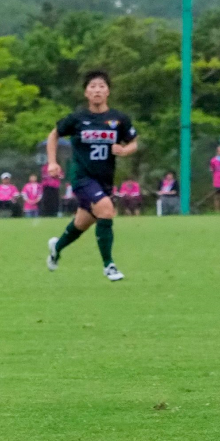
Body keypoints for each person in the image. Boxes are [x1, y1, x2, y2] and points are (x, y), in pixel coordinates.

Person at [45, 69, 139, 282]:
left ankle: (56, 247)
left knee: (82, 223)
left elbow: (133, 142)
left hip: (105, 180)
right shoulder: (78, 118)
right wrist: (52, 161)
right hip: (82, 178)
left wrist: (125, 150)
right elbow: (54, 134)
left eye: (101, 86)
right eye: (92, 87)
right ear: (86, 93)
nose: (97, 90)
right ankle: (109, 266)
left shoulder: (118, 119)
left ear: (108, 92)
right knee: (106, 210)